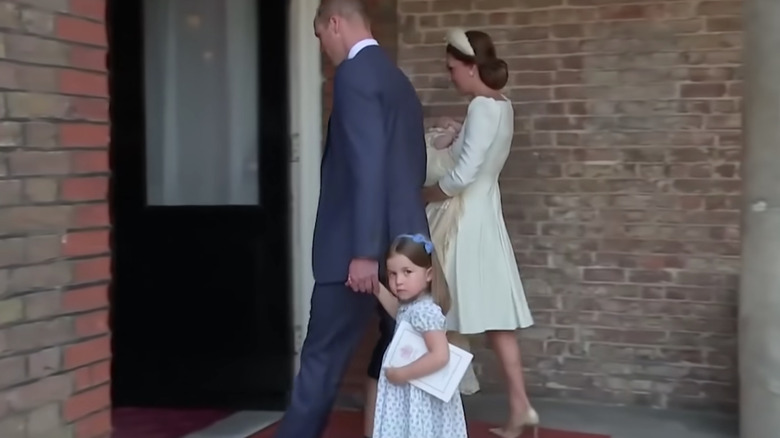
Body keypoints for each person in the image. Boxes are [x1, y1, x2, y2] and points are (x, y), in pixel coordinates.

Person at [272, 1, 429, 437]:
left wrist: (363, 252)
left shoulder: (354, 75)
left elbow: (366, 165)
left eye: (320, 35)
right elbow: (411, 167)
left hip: (357, 254)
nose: (322, 46)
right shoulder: (398, 81)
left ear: (334, 24)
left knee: (320, 365)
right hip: (409, 250)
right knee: (406, 358)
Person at [421, 28, 538, 438]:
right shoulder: (502, 106)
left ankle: (437, 417)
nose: (450, 76)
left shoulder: (483, 109)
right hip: (486, 216)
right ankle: (521, 407)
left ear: (471, 67)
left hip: (465, 220)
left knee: (442, 311)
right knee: (493, 319)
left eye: (453, 68)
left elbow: (463, 175)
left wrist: (424, 195)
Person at [371, 234, 468, 438]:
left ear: (429, 274)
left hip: (420, 395)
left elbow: (440, 355)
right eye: (392, 274)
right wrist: (377, 288)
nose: (398, 281)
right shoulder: (412, 306)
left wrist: (402, 374)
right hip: (412, 393)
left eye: (407, 272)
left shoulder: (425, 311)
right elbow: (398, 312)